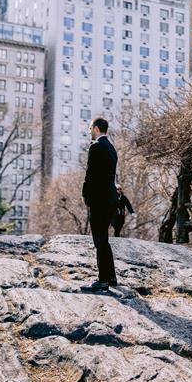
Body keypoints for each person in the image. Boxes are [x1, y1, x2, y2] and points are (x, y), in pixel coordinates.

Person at [80, 117, 119, 292]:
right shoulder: (112, 148)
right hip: (110, 198)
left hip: (99, 199)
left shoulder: (96, 147)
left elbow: (91, 174)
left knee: (99, 239)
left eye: (90, 129)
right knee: (104, 239)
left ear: (95, 128)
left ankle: (103, 280)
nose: (89, 132)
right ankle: (111, 277)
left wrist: (86, 194)